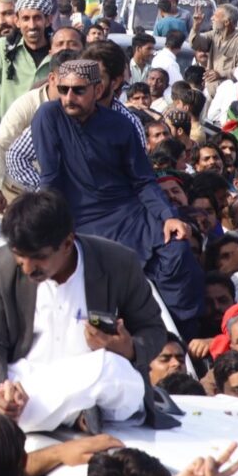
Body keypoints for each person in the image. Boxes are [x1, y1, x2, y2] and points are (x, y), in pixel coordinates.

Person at [30, 59, 201, 331]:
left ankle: (179, 339)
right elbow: (50, 179)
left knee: (177, 250)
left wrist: (168, 217)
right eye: (63, 90)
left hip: (129, 214)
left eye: (77, 90)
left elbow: (143, 180)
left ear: (98, 91)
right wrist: (51, 225)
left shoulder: (120, 124)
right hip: (80, 219)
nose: (68, 98)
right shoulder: (48, 116)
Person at [0, 190, 164, 433]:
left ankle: (19, 418)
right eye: (20, 258)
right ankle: (50, 414)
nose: (28, 268)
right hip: (26, 381)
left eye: (38, 258)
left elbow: (154, 330)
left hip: (92, 386)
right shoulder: (3, 264)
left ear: (67, 243)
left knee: (108, 368)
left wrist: (126, 348)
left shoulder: (117, 262)